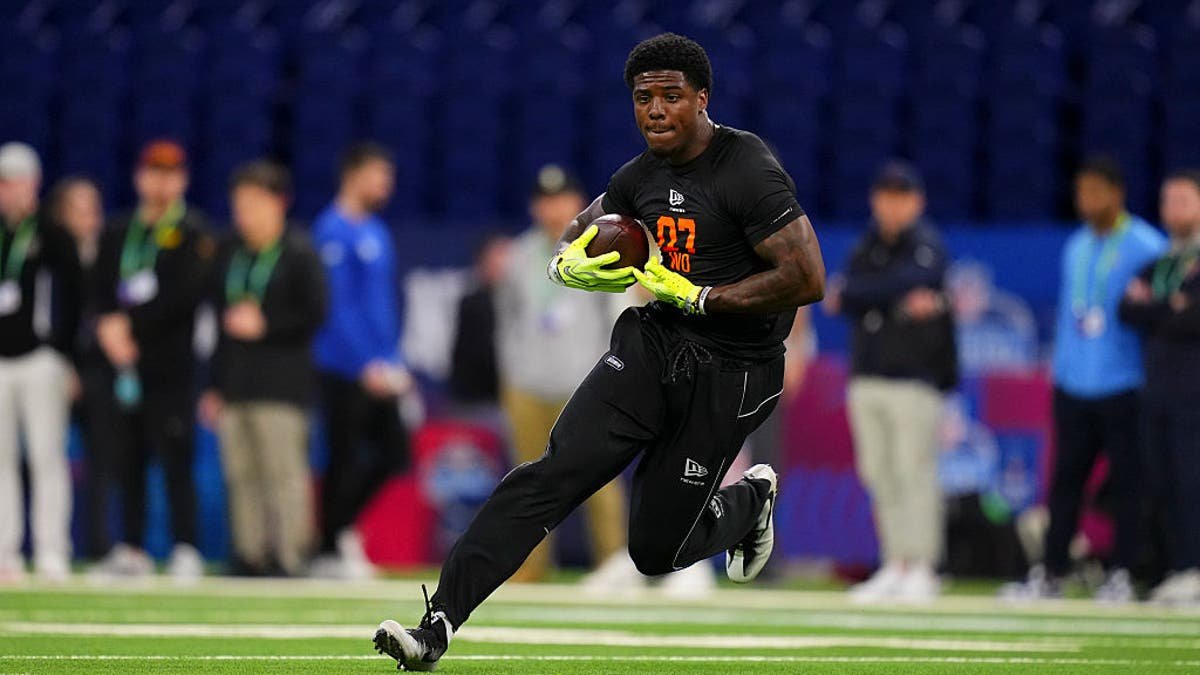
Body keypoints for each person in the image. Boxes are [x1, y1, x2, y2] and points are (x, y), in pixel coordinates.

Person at [373, 33, 826, 670]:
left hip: (734, 367)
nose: (657, 110)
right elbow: (576, 232)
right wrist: (572, 266)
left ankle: (748, 502)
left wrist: (705, 298)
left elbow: (808, 278)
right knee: (551, 474)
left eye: (672, 96)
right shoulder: (637, 176)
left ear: (702, 99)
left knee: (654, 551)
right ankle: (437, 624)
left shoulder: (745, 165)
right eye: (644, 98)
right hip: (655, 345)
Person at [1003, 157, 1166, 603]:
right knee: (1065, 481)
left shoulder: (1146, 245)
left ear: (1118, 193)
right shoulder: (1076, 245)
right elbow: (1072, 315)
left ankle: (1124, 572)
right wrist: (1061, 371)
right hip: (1074, 383)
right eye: (1082, 192)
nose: (1087, 201)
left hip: (1124, 382)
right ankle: (1052, 572)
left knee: (1128, 485)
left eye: (1096, 192)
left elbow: (1155, 316)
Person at [492, 164, 641, 592]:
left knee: (598, 476)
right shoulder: (520, 255)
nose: (553, 208)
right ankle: (529, 566)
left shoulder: (605, 245)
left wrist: (615, 376)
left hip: (585, 385)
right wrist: (511, 375)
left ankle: (614, 563)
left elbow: (621, 316)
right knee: (528, 478)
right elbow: (508, 321)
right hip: (528, 385)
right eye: (544, 200)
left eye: (561, 199)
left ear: (578, 203)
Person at [822, 161, 958, 603]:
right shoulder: (867, 245)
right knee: (879, 473)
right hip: (868, 375)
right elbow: (840, 295)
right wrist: (885, 295)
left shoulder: (926, 244)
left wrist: (866, 292)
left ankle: (922, 566)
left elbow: (914, 279)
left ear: (916, 201)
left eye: (900, 197)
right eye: (884, 196)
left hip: (914, 380)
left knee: (913, 472)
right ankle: (896, 562)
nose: (891, 206)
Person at [91, 139, 215, 580]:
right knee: (128, 458)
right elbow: (100, 289)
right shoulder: (119, 230)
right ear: (139, 176)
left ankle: (185, 546)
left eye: (170, 173)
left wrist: (129, 327)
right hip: (123, 365)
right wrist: (107, 327)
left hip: (171, 367)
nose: (161, 182)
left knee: (176, 457)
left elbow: (184, 297)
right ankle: (132, 547)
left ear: (181, 180)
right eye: (153, 172)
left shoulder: (194, 232)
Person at [199, 161, 327, 577]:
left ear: (278, 203)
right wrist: (214, 385)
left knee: (283, 475)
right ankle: (249, 553)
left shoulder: (299, 252)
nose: (245, 214)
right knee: (241, 474)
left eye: (254, 204)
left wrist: (267, 325)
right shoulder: (229, 251)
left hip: (281, 386)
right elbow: (218, 326)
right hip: (236, 384)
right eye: (240, 205)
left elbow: (316, 313)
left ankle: (290, 555)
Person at [311, 142, 410, 579]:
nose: (385, 185)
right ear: (353, 175)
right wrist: (364, 363)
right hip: (342, 367)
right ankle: (331, 545)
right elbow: (337, 307)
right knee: (344, 456)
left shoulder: (377, 232)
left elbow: (382, 306)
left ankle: (338, 532)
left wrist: (392, 360)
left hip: (380, 367)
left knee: (394, 452)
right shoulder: (332, 230)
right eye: (378, 174)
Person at [0, 142, 82, 582]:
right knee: (1, 459)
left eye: (13, 181)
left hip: (40, 359)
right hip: (0, 362)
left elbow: (74, 297)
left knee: (47, 456)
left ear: (32, 183)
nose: (6, 190)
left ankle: (52, 549)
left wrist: (63, 355)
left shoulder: (51, 233)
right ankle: (5, 552)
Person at [1119, 170, 1200, 605]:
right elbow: (1125, 310)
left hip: (1194, 391)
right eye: (1168, 201)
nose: (1174, 210)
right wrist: (1172, 306)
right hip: (1159, 389)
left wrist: (1159, 308)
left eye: (1184, 200)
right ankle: (1181, 567)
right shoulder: (1163, 263)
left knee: (1192, 482)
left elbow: (1193, 320)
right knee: (1163, 482)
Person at [46, 176, 112, 560]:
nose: (89, 219)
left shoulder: (109, 254)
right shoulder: (46, 258)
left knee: (103, 459)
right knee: (46, 457)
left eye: (93, 210)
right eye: (78, 210)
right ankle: (46, 544)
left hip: (100, 370)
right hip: (54, 366)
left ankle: (99, 546)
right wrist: (64, 364)